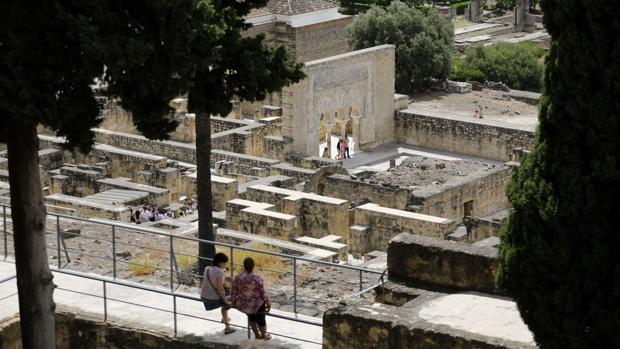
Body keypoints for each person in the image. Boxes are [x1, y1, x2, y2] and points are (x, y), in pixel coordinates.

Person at [231, 257, 271, 340]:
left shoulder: (238, 277)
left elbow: (233, 291)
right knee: (261, 320)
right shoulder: (257, 278)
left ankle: (257, 334)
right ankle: (264, 335)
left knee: (252, 318)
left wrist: (234, 301)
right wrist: (268, 303)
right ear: (253, 266)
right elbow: (263, 293)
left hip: (244, 304)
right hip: (257, 304)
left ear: (244, 266)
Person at [201, 253, 236, 334]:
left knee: (227, 296)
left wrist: (226, 278)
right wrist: (226, 301)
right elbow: (220, 289)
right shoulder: (219, 272)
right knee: (228, 304)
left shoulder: (207, 268)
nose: (225, 265)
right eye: (225, 263)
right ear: (220, 262)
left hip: (204, 295)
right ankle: (227, 327)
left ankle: (225, 318)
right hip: (212, 299)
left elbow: (214, 281)